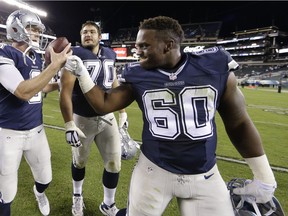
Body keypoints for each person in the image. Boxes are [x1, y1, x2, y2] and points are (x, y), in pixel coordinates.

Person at [64, 16, 277, 216]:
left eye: (144, 46)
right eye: (137, 45)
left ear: (169, 45)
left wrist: (264, 176)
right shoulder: (137, 74)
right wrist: (82, 74)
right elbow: (103, 104)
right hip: (153, 170)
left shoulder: (214, 67)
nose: (136, 50)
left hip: (205, 175)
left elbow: (238, 122)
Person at [0, 9, 72, 216]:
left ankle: (39, 193)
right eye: (32, 28)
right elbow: (23, 91)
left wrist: (61, 84)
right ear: (16, 29)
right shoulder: (4, 53)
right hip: (8, 133)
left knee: (45, 178)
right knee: (7, 192)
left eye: (38, 30)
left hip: (36, 131)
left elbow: (39, 86)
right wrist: (56, 65)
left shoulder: (35, 57)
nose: (37, 34)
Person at [59, 21, 128, 216]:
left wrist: (121, 111)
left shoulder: (110, 54)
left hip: (107, 117)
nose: (87, 34)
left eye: (92, 32)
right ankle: (77, 196)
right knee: (79, 162)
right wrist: (69, 123)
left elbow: (114, 83)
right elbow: (65, 92)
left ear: (100, 36)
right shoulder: (75, 55)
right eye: (84, 32)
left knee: (114, 163)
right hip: (83, 119)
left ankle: (108, 205)